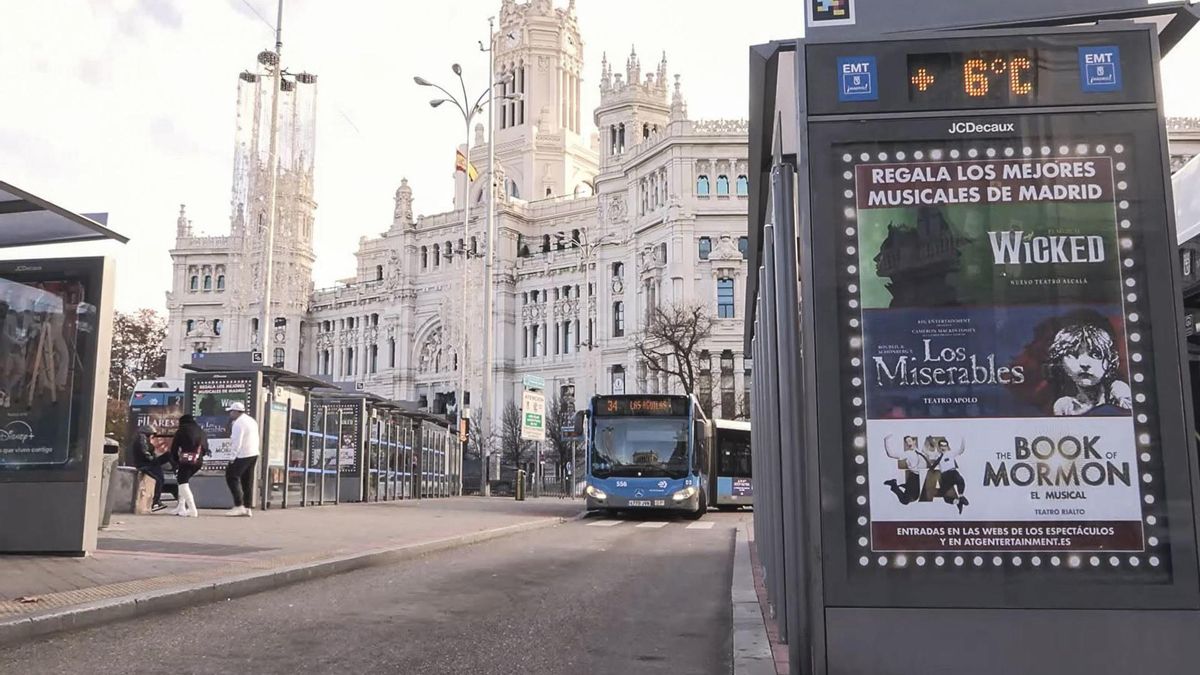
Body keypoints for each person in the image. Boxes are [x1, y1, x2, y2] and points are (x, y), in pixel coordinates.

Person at [224, 401, 260, 517]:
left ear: (235, 412)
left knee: (231, 476)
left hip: (243, 454)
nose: (230, 414)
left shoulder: (238, 423)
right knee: (247, 480)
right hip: (253, 453)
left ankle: (239, 505)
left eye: (231, 411)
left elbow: (236, 442)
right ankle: (247, 507)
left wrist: (232, 458)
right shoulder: (251, 421)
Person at [170, 414, 208, 517]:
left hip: (186, 461)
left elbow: (174, 448)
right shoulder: (201, 431)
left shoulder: (182, 430)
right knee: (183, 482)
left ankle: (192, 509)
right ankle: (181, 507)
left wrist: (176, 461)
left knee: (183, 483)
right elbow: (205, 448)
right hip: (198, 461)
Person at [129, 424, 170, 512]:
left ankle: (156, 501)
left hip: (146, 463)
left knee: (161, 474)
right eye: (152, 435)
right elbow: (144, 452)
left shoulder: (141, 438)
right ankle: (156, 502)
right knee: (159, 479)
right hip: (145, 464)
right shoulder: (142, 438)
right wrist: (152, 459)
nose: (153, 437)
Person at [883, 434, 926, 505]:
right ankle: (894, 485)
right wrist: (886, 440)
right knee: (906, 500)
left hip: (919, 477)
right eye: (906, 442)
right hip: (914, 477)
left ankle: (897, 485)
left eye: (909, 441)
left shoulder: (921, 452)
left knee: (913, 498)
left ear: (914, 441)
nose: (908, 443)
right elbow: (891, 454)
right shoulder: (908, 453)